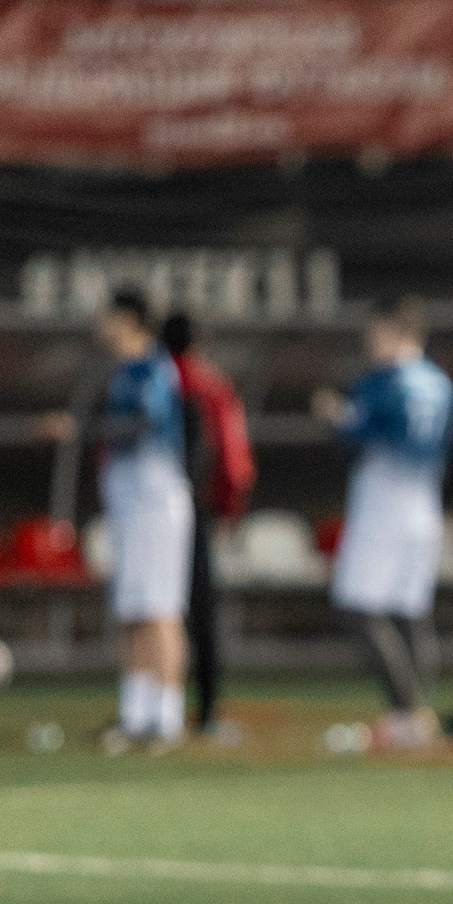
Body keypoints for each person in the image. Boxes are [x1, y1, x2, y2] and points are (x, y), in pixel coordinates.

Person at [42, 288, 191, 753]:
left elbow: (142, 425)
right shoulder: (125, 370)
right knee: (131, 609)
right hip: (129, 503)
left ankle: (166, 717)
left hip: (156, 501)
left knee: (160, 608)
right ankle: (135, 714)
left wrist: (79, 429)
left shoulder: (152, 367)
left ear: (126, 318)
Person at [315, 299, 453, 752]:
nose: (370, 342)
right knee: (410, 608)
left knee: (359, 604)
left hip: (384, 500)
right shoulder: (439, 382)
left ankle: (406, 711)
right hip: (424, 502)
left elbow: (356, 435)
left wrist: (336, 418)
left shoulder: (383, 381)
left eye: (376, 332)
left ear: (394, 330)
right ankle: (419, 715)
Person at [160, 311, 256, 739]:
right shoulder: (208, 384)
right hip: (194, 508)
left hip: (149, 507)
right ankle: (207, 708)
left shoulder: (151, 378)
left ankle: (155, 706)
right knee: (200, 612)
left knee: (155, 610)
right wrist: (229, 508)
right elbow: (233, 460)